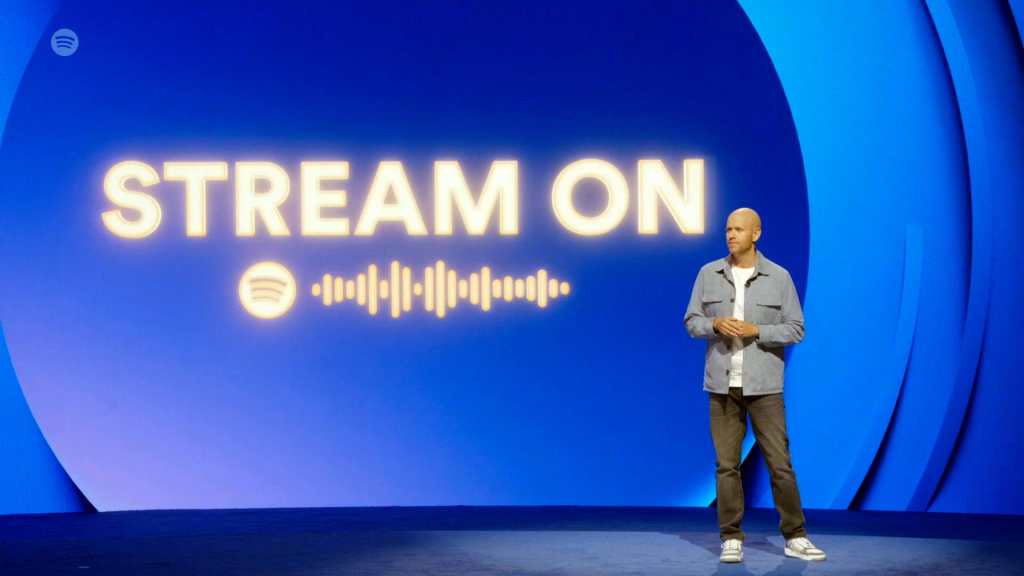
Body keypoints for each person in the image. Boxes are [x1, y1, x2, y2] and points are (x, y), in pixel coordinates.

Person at [684, 208, 826, 564]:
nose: (731, 235)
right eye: (728, 229)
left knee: (780, 464)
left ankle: (795, 536)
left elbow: (796, 328)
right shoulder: (708, 274)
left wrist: (757, 330)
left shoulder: (778, 277)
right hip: (722, 386)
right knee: (726, 465)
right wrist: (715, 324)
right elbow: (691, 321)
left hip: (764, 387)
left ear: (756, 234)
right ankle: (731, 537)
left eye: (738, 229)